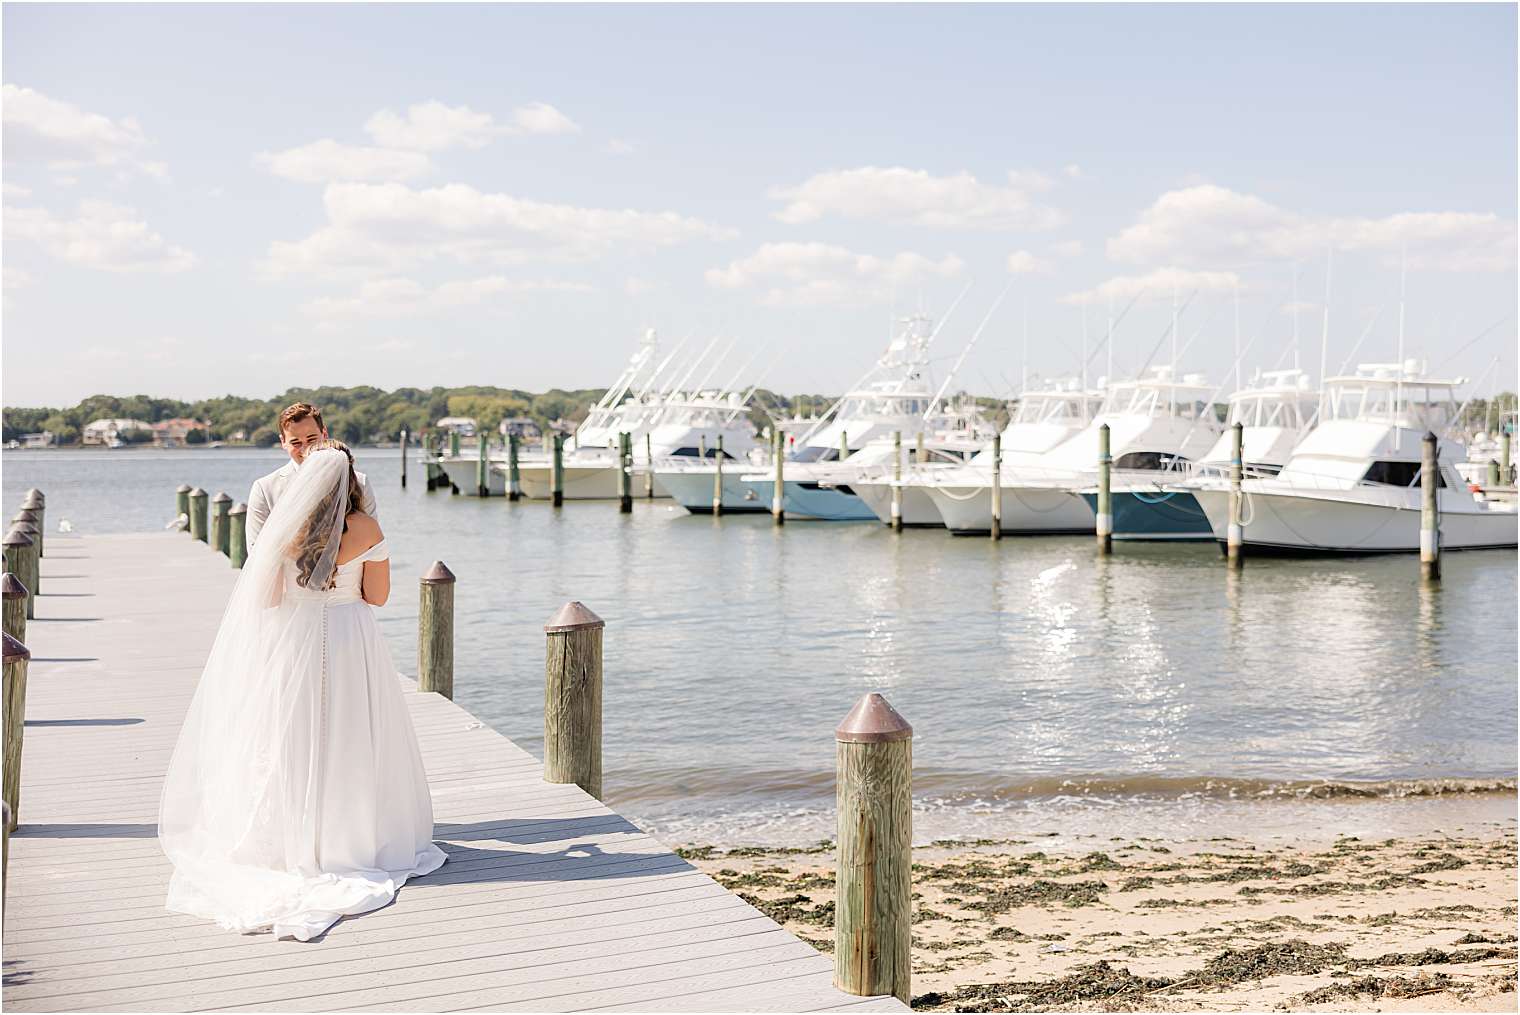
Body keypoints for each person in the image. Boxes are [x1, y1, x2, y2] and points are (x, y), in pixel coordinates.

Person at [160, 442, 445, 940]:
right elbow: (376, 597)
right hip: (350, 638)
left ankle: (291, 838)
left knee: (291, 735)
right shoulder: (369, 529)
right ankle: (353, 838)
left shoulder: (283, 532)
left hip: (294, 640)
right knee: (354, 735)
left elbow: (266, 597)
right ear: (350, 482)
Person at [247, 403, 376, 551]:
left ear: (324, 434)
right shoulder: (265, 489)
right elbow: (255, 552)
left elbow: (371, 545)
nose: (305, 449)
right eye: (295, 442)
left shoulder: (359, 482)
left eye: (311, 439)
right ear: (283, 442)